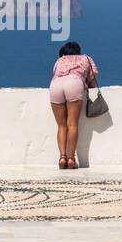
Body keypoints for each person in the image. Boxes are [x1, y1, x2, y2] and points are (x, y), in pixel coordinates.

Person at [49, 41, 98, 170]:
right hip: (74, 83)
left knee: (61, 125)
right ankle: (71, 159)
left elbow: (55, 73)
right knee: (72, 124)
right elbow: (92, 80)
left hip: (56, 85)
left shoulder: (59, 60)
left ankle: (62, 157)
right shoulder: (86, 58)